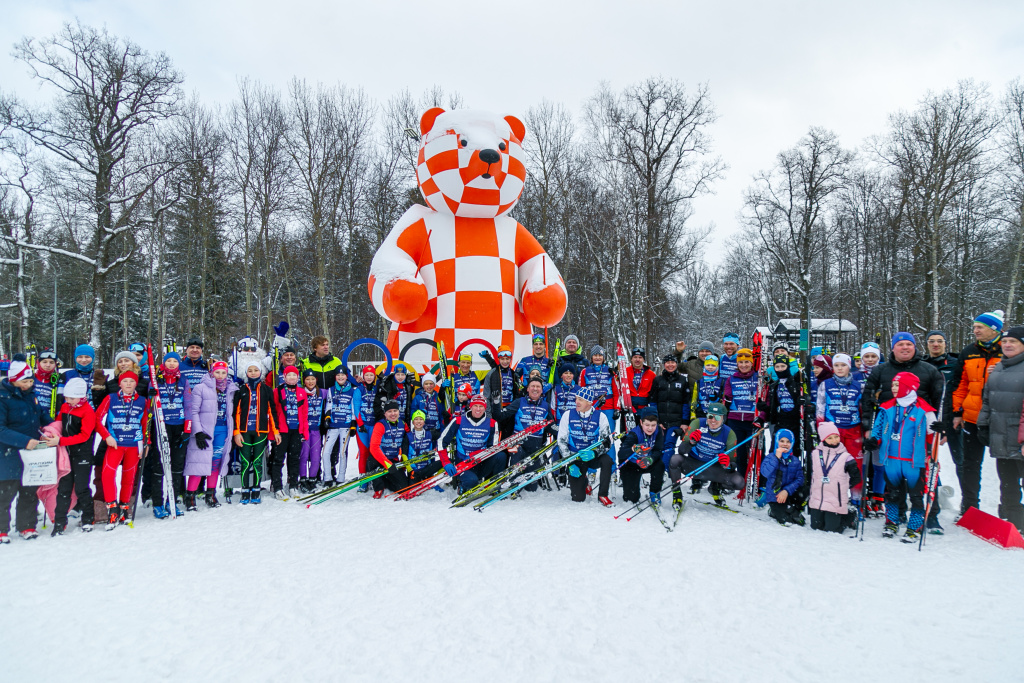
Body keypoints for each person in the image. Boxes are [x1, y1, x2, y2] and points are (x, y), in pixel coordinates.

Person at [866, 371, 938, 540]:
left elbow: (934, 436)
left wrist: (939, 430)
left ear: (908, 387)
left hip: (914, 461)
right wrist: (873, 441)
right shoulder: (886, 407)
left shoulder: (924, 410)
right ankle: (891, 522)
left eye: (897, 385)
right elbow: (878, 428)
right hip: (891, 459)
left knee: (916, 496)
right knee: (891, 494)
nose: (893, 388)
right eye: (893, 384)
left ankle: (914, 527)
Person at [951, 309, 1005, 517]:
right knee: (971, 464)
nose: (975, 331)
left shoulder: (1009, 350)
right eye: (974, 327)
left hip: (1000, 417)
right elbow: (960, 384)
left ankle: (1008, 511)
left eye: (979, 327)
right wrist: (957, 412)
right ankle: (969, 507)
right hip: (972, 417)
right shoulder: (969, 351)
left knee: (1006, 467)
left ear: (994, 329)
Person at [0, 359, 58, 542]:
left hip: (32, 455)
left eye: (31, 381)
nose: (29, 384)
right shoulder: (3, 398)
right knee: (5, 495)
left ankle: (26, 526)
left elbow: (40, 415)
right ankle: (1, 529)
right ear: (13, 380)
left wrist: (54, 428)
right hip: (8, 454)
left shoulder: (31, 395)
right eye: (25, 381)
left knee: (29, 492)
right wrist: (25, 441)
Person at [976, 325, 1024, 532]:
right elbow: (987, 399)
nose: (1007, 345)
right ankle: (1013, 521)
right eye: (1004, 341)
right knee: (1007, 482)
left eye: (1013, 341)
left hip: (1019, 436)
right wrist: (983, 424)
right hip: (1000, 434)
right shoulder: (998, 368)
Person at [95, 370, 149, 529]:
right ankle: (112, 508)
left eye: (131, 382)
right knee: (107, 474)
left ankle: (125, 508)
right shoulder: (110, 398)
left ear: (135, 384)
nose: (128, 384)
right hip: (115, 443)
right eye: (125, 381)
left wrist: (146, 443)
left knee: (129, 477)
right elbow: (97, 419)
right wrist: (106, 436)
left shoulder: (142, 401)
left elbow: (146, 425)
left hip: (134, 444)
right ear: (120, 383)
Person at [184, 360, 236, 509]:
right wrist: (198, 431)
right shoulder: (200, 388)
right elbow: (193, 411)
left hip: (222, 430)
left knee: (215, 463)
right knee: (199, 464)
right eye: (217, 372)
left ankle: (211, 494)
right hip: (205, 432)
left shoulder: (230, 389)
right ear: (211, 372)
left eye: (223, 372)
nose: (220, 375)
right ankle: (190, 496)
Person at [669, 402, 740, 510]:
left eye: (717, 417)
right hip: (693, 465)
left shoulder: (729, 434)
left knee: (738, 482)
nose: (713, 420)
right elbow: (681, 450)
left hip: (712, 469)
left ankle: (715, 488)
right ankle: (677, 495)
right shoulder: (697, 424)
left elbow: (733, 463)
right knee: (675, 459)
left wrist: (727, 464)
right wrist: (691, 442)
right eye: (710, 416)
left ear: (723, 419)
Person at [816, 353, 865, 507]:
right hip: (833, 432)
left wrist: (866, 430)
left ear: (849, 366)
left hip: (854, 431)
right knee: (832, 466)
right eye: (836, 365)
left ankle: (856, 500)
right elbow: (820, 409)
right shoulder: (826, 384)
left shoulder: (859, 385)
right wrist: (821, 430)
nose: (840, 368)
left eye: (843, 365)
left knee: (855, 467)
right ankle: (833, 498)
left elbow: (864, 410)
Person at [555, 386, 614, 506]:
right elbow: (561, 441)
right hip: (575, 457)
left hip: (591, 455)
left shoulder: (600, 416)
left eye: (580, 399)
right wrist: (570, 463)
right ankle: (584, 482)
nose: (577, 402)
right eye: (576, 398)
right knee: (578, 498)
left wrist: (595, 453)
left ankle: (603, 494)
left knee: (607, 460)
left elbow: (608, 442)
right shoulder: (568, 415)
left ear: (589, 402)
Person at [51, 377, 96, 534]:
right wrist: (51, 433)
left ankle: (88, 518)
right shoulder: (65, 407)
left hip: (82, 454)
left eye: (71, 398)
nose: (68, 400)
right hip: (66, 454)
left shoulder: (87, 411)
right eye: (67, 397)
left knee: (82, 487)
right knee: (64, 488)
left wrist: (61, 440)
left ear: (81, 396)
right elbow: (59, 424)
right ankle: (59, 523)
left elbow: (84, 436)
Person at [232, 361, 280, 504]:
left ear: (261, 372)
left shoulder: (266, 389)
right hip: (245, 432)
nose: (253, 373)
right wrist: (236, 431)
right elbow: (236, 413)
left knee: (258, 462)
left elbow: (272, 411)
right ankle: (245, 490)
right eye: (250, 370)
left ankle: (256, 489)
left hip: (261, 432)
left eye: (256, 370)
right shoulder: (241, 390)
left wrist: (275, 431)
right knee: (246, 462)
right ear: (246, 373)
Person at [150, 351, 191, 518]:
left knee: (176, 466)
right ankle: (158, 503)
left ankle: (171, 501)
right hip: (161, 426)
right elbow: (148, 403)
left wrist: (187, 429)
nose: (172, 364)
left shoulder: (183, 380)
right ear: (164, 363)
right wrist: (150, 395)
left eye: (175, 361)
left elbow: (188, 405)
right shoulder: (156, 380)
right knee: (159, 465)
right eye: (169, 361)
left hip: (179, 426)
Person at [498, 377, 550, 494]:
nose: (535, 389)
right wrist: (496, 404)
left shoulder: (545, 405)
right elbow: (501, 416)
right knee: (517, 458)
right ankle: (511, 483)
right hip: (518, 444)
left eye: (538, 387)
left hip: (535, 447)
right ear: (527, 389)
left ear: (542, 390)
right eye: (533, 386)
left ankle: (524, 481)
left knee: (531, 488)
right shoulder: (519, 401)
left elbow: (551, 423)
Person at [807, 421, 861, 532]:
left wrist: (843, 486)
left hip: (835, 501)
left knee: (832, 529)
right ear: (823, 439)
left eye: (836, 437)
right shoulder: (815, 454)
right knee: (815, 527)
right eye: (830, 438)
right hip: (818, 500)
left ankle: (849, 516)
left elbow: (856, 478)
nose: (834, 440)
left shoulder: (846, 457)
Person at [923, 329, 961, 478]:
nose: (936, 344)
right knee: (928, 459)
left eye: (939, 341)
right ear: (927, 344)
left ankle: (968, 499)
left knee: (961, 460)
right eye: (932, 341)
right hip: (928, 418)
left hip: (953, 417)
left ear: (946, 343)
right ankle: (932, 496)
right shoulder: (922, 364)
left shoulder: (956, 364)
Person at [272, 365, 308, 499]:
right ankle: (277, 487)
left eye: (294, 375)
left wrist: (304, 431)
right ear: (284, 377)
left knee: (294, 459)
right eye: (289, 375)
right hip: (282, 430)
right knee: (278, 459)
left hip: (296, 430)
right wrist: (274, 431)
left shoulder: (301, 392)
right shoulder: (278, 390)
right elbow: (273, 411)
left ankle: (293, 485)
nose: (292, 377)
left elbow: (304, 413)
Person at [723, 348, 759, 481]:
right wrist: (726, 401)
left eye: (747, 362)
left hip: (753, 420)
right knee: (739, 452)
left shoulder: (758, 377)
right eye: (741, 362)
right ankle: (741, 478)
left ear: (751, 363)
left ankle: (756, 478)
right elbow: (727, 397)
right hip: (735, 420)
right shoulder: (731, 379)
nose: (743, 365)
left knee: (755, 451)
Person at [322, 368, 362, 486]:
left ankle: (341, 477)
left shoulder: (352, 390)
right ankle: (328, 477)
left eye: (343, 375)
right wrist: (327, 417)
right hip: (333, 425)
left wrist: (353, 423)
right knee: (326, 452)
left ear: (346, 377)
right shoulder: (331, 389)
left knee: (342, 452)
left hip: (345, 425)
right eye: (338, 375)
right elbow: (329, 404)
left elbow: (353, 407)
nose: (340, 377)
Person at [618, 408, 665, 504]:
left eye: (653, 425)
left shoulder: (658, 431)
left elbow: (658, 450)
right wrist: (632, 449)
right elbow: (621, 453)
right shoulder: (634, 434)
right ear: (641, 422)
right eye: (647, 425)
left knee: (660, 465)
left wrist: (651, 459)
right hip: (632, 465)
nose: (650, 428)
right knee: (631, 499)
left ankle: (654, 493)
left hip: (647, 462)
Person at [759, 428, 806, 526]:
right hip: (775, 495)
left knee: (800, 521)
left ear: (792, 443)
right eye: (782, 441)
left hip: (789, 494)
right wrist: (777, 458)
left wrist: (786, 490)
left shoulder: (795, 460)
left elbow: (800, 479)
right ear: (777, 442)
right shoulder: (770, 457)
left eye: (788, 442)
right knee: (787, 520)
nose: (785, 444)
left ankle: (793, 509)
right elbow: (765, 473)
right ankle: (774, 511)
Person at [367, 400, 413, 498]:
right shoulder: (380, 425)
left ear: (399, 412)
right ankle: (378, 486)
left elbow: (409, 442)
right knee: (372, 461)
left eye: (395, 411)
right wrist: (387, 464)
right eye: (389, 411)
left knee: (403, 488)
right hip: (379, 459)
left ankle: (384, 479)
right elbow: (374, 447)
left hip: (393, 459)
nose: (393, 414)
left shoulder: (403, 424)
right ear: (385, 413)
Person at [577, 345, 619, 440]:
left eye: (600, 355)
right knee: (591, 437)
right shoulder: (585, 371)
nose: (598, 357)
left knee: (608, 438)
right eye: (595, 355)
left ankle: (610, 455)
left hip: (608, 408)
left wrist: (617, 408)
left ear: (603, 357)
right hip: (591, 407)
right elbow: (581, 392)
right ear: (591, 357)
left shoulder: (610, 371)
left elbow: (617, 392)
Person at [298, 370, 329, 493]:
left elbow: (337, 392)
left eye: (312, 379)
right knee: (304, 456)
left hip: (316, 430)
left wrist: (356, 381)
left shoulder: (321, 392)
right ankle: (303, 480)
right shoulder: (300, 392)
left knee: (316, 457)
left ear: (316, 380)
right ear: (304, 381)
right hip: (304, 430)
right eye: (307, 379)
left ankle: (312, 479)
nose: (310, 382)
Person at [482, 345, 522, 431]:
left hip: (509, 411)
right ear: (499, 359)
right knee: (495, 439)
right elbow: (486, 396)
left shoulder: (513, 374)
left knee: (507, 439)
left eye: (507, 359)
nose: (505, 361)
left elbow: (517, 393)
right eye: (502, 359)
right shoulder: (491, 374)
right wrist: (488, 415)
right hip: (495, 411)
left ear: (510, 359)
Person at [62, 344, 98, 408]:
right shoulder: (67, 375)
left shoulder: (99, 376)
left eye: (87, 357)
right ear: (75, 358)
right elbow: (60, 398)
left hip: (93, 415)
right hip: (72, 414)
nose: (83, 360)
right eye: (80, 357)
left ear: (92, 358)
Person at [623, 347, 656, 416]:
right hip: (629, 409)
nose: (637, 360)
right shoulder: (624, 372)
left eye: (640, 357)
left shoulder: (651, 374)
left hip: (644, 409)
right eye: (635, 357)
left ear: (643, 359)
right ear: (631, 359)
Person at [689, 354, 724, 419]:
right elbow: (694, 399)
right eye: (708, 365)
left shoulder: (721, 381)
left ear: (717, 367)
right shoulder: (699, 382)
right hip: (701, 413)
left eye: (713, 365)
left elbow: (723, 399)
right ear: (704, 366)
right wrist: (692, 414)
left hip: (716, 415)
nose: (710, 367)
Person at [33, 349, 64, 420]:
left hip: (50, 422)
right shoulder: (30, 379)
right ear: (38, 363)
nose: (48, 365)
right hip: (31, 420)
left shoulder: (60, 380)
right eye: (44, 362)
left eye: (51, 362)